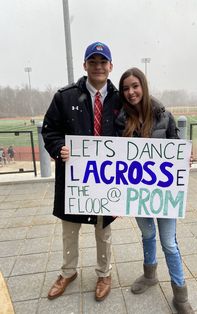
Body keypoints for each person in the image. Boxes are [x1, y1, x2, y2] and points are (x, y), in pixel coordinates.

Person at [42, 42, 121, 301]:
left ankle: (104, 272)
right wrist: (58, 147)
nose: (98, 67)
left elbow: (139, 128)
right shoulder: (64, 97)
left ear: (110, 66)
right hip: (74, 180)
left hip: (107, 180)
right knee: (69, 230)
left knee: (103, 231)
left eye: (103, 62)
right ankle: (68, 272)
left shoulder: (121, 99)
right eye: (93, 62)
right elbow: (50, 130)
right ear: (85, 65)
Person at [116, 67, 194, 314]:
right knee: (147, 235)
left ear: (144, 86)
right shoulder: (121, 120)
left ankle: (180, 296)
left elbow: (177, 148)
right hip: (138, 194)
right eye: (126, 88)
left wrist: (185, 158)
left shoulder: (164, 116)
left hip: (164, 194)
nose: (131, 92)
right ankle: (150, 274)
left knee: (169, 243)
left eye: (135, 86)